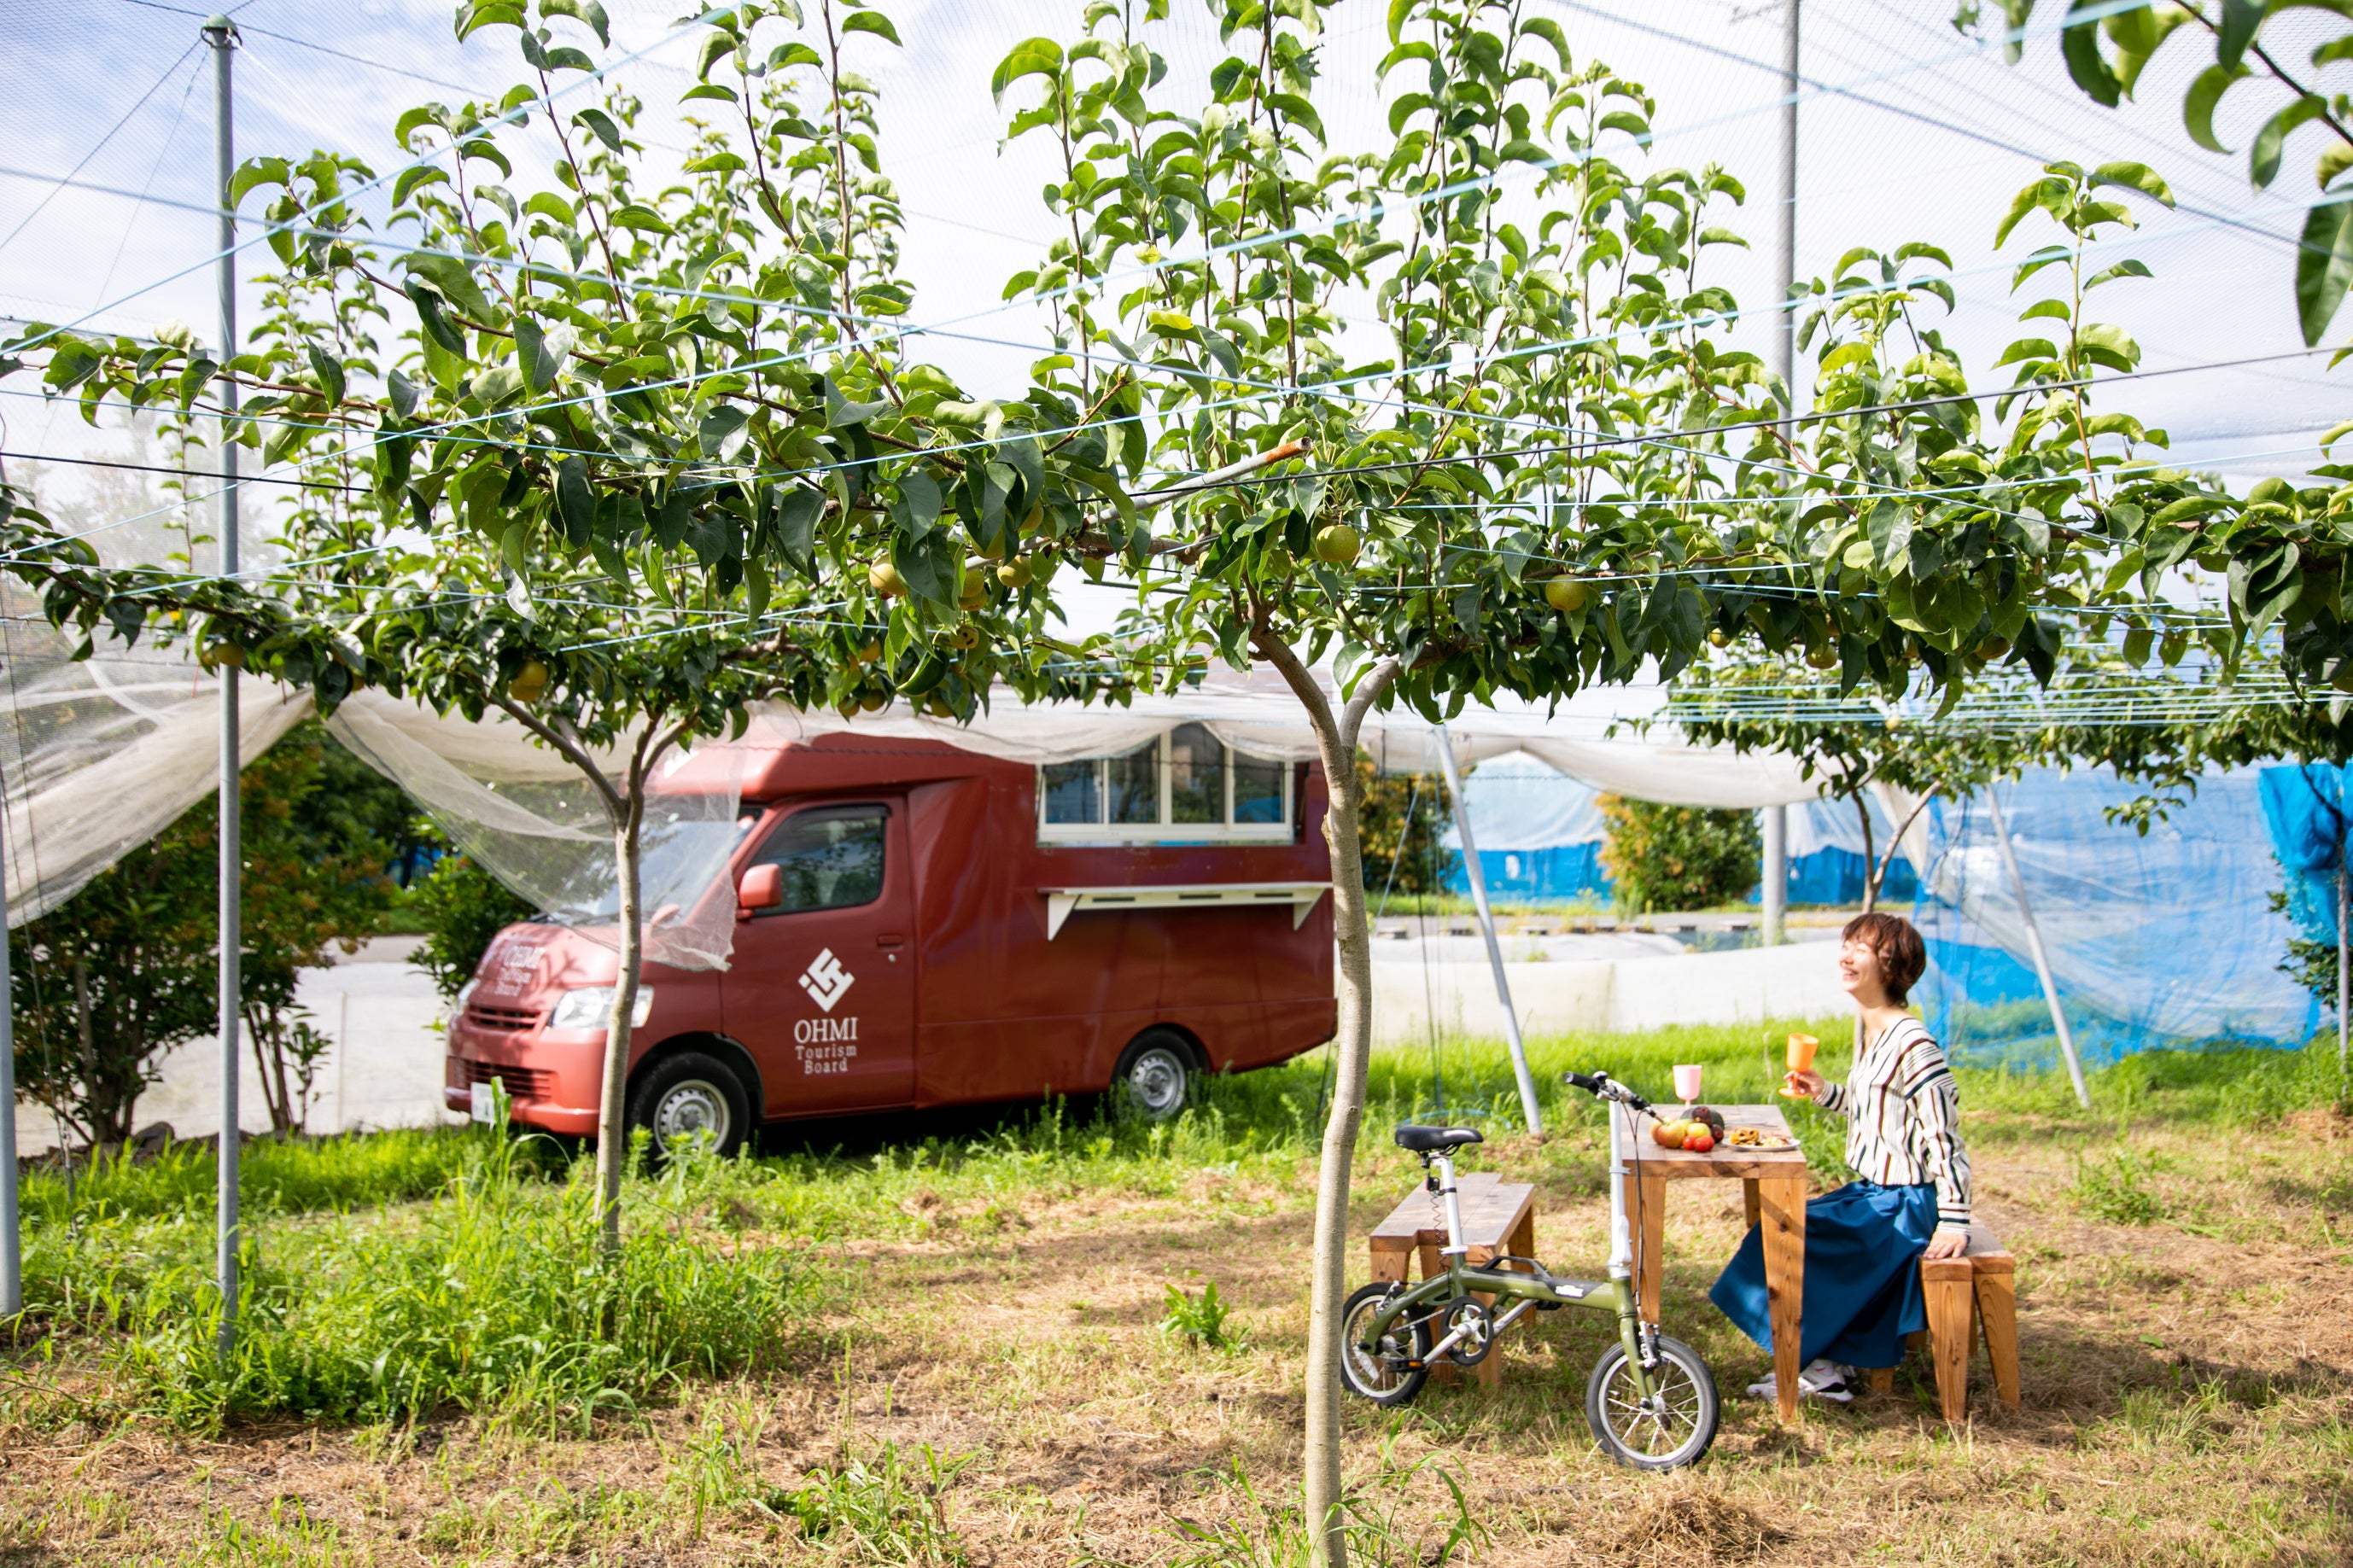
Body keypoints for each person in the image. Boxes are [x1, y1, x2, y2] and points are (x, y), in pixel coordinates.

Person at [1708, 911, 1972, 1404]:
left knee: (1787, 1237)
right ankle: (1823, 1360)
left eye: (1860, 948)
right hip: (1876, 1195)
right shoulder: (1878, 1035)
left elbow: (1944, 1136)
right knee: (1783, 1229)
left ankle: (1818, 1364)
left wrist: (1954, 1221)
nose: (1845, 956)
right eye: (1845, 944)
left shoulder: (1915, 1045)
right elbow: (1878, 1108)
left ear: (1890, 964)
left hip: (1903, 1207)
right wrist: (1827, 1091)